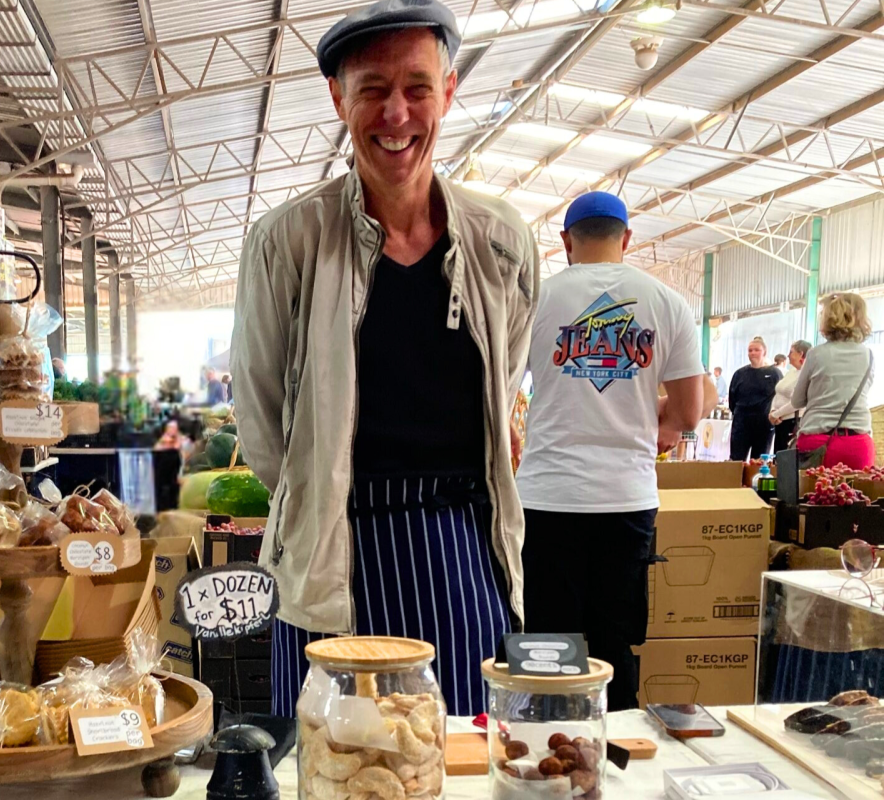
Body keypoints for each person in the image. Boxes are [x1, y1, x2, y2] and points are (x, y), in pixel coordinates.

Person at [232, 0, 538, 717]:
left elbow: (505, 389)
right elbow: (261, 419)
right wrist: (322, 495)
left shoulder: (501, 243)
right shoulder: (288, 242)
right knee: (335, 761)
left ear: (449, 92)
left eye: (417, 87)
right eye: (372, 88)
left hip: (460, 551)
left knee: (457, 752)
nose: (396, 114)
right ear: (339, 98)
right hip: (330, 559)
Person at [517, 192, 706, 711]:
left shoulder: (536, 297)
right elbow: (690, 414)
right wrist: (643, 412)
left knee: (545, 645)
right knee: (614, 647)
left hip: (546, 498)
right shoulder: (666, 302)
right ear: (627, 239)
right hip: (625, 499)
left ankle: (541, 760)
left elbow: (495, 392)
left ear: (565, 243)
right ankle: (615, 764)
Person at [793, 293, 877, 470]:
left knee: (812, 496)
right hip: (858, 442)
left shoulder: (816, 354)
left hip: (817, 442)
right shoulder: (868, 355)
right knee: (856, 496)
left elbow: (797, 401)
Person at [729, 337, 780, 461]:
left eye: (757, 350)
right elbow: (732, 399)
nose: (753, 353)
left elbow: (780, 397)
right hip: (741, 424)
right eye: (750, 350)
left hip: (764, 425)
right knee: (736, 461)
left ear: (764, 352)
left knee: (759, 461)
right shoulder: (739, 374)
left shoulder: (774, 373)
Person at [769, 340, 812, 453]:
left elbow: (798, 401)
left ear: (801, 354)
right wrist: (773, 410)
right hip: (780, 421)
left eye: (791, 352)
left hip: (793, 422)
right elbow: (778, 392)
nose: (788, 355)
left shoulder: (806, 374)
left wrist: (776, 414)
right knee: (777, 456)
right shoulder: (791, 371)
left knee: (786, 458)